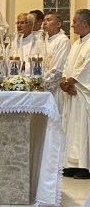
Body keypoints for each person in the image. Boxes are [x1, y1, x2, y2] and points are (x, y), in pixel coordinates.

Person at [59, 9, 90, 179]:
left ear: (85, 23)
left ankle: (84, 166)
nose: (72, 25)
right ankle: (71, 164)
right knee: (70, 129)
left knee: (81, 129)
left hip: (83, 94)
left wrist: (69, 82)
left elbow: (85, 69)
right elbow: (67, 66)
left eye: (75, 22)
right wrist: (64, 83)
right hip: (71, 93)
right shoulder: (77, 44)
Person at [42, 12, 71, 112]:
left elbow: (58, 68)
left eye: (49, 20)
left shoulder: (63, 40)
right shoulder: (43, 39)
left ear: (58, 24)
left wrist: (43, 86)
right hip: (42, 86)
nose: (45, 23)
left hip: (55, 89)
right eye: (44, 20)